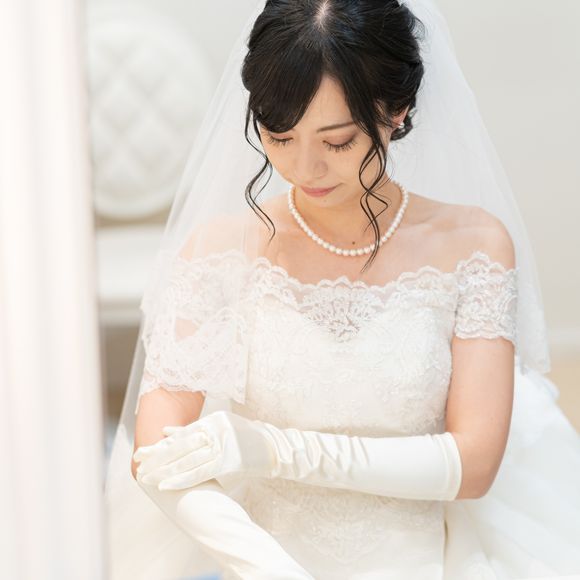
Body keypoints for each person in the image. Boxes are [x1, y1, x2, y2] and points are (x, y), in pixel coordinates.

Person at [105, 0, 580, 578]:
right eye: (279, 137)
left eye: (337, 142)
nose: (305, 168)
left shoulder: (473, 246)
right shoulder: (219, 252)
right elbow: (156, 454)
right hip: (261, 557)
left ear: (397, 111)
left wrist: (276, 450)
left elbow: (474, 464)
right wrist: (269, 567)